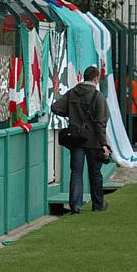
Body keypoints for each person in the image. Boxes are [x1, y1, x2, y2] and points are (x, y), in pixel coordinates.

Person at [51, 66, 110, 214]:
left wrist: (72, 115)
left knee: (76, 172)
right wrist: (104, 145)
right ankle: (98, 205)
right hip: (93, 140)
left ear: (84, 77)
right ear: (95, 79)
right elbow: (100, 123)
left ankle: (75, 206)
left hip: (76, 140)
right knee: (95, 173)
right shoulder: (98, 97)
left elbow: (55, 107)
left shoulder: (72, 93)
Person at [115, 70, 137, 145]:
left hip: (121, 109)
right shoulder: (133, 83)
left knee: (122, 126)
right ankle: (132, 141)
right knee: (133, 127)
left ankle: (122, 141)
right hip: (132, 109)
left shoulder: (117, 82)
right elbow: (135, 98)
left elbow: (115, 94)